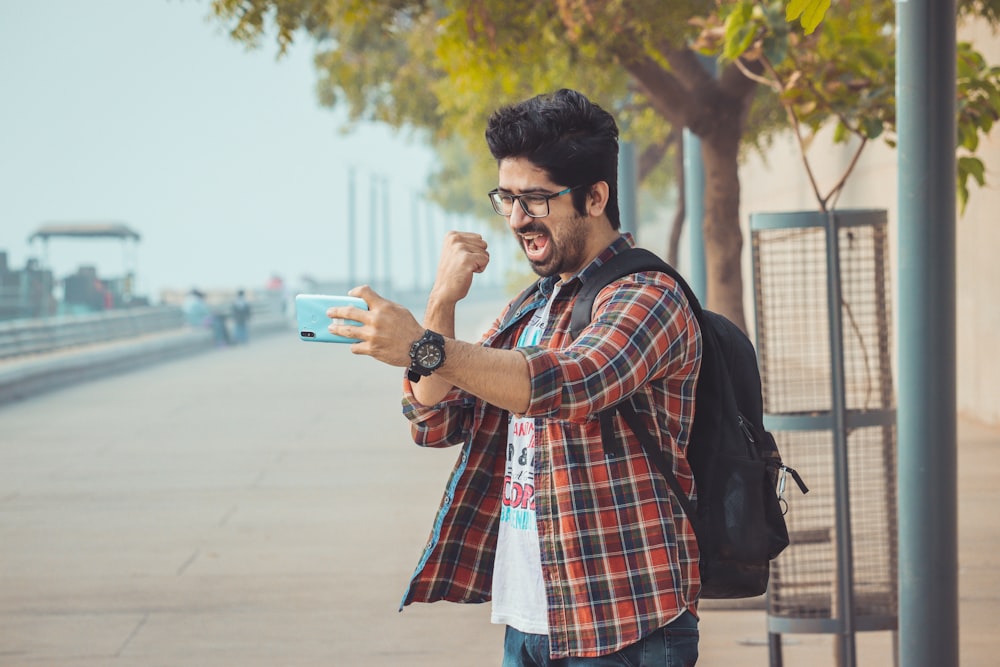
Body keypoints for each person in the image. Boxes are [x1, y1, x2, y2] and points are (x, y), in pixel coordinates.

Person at [327, 89, 703, 666]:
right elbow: (437, 418)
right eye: (506, 199)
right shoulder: (534, 305)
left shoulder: (647, 296)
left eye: (535, 199)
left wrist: (422, 346)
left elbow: (571, 383)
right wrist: (441, 300)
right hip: (530, 617)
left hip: (624, 623)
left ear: (595, 196)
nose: (517, 220)